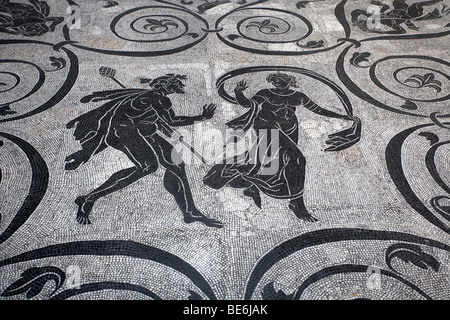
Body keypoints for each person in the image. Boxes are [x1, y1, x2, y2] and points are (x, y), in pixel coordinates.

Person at [65, 74, 223, 228]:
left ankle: (190, 211)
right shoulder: (158, 99)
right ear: (164, 85)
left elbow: (157, 121)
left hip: (141, 131)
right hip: (124, 133)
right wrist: (202, 117)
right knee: (148, 166)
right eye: (173, 86)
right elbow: (171, 120)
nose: (174, 89)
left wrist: (166, 130)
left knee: (176, 164)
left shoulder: (148, 97)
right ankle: (89, 198)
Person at [204, 73, 358, 222]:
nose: (279, 83)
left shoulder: (298, 96)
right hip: (267, 126)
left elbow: (318, 109)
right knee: (297, 159)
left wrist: (343, 117)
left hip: (290, 129)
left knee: (273, 162)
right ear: (272, 82)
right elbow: (248, 104)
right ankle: (296, 202)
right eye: (276, 80)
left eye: (283, 80)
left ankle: (251, 184)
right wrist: (238, 92)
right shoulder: (265, 93)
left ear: (290, 82)